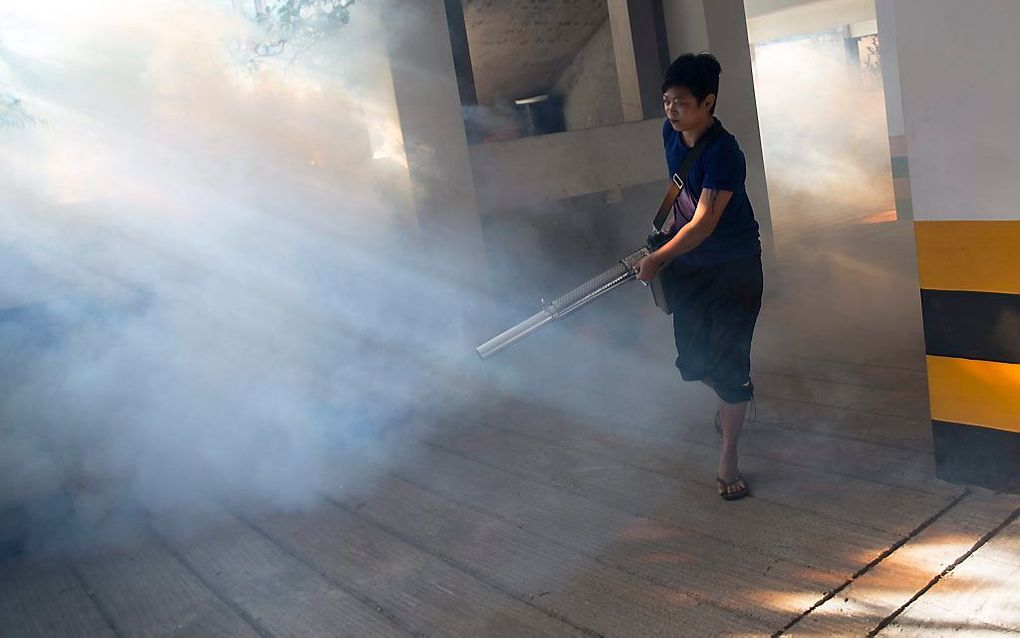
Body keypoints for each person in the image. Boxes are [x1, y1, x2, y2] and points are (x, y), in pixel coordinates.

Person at [635, 53, 763, 501]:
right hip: (691, 268)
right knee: (691, 364)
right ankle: (733, 394)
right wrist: (664, 246)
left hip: (733, 268)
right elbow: (683, 196)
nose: (671, 110)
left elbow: (705, 222)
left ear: (708, 102)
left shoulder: (725, 153)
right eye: (667, 101)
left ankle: (729, 451)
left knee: (729, 367)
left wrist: (658, 259)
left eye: (681, 103)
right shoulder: (670, 133)